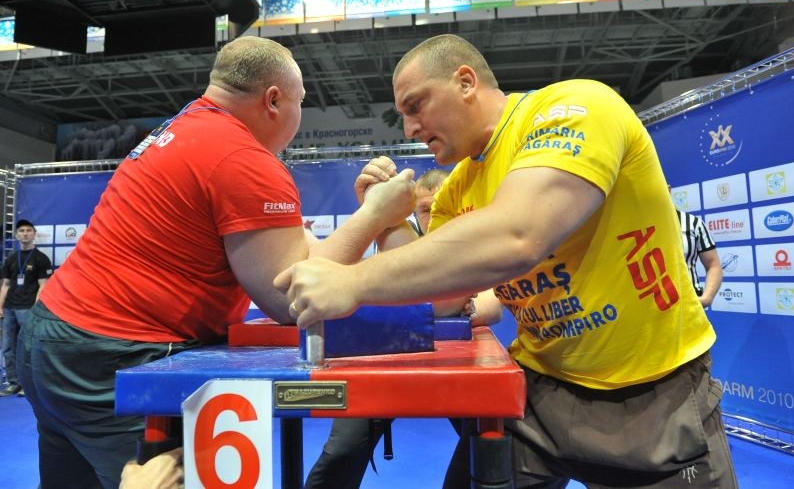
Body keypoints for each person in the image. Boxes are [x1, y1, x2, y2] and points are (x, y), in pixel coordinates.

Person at [276, 34, 738, 487]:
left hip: (658, 391)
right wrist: (383, 217)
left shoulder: (577, 106)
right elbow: (439, 301)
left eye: (415, 106)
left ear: (465, 82)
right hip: (540, 393)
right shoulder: (456, 189)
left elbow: (520, 235)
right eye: (402, 116)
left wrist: (352, 282)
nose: (409, 129)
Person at [18, 36, 415, 489]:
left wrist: (371, 213)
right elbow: (290, 297)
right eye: (301, 103)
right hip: (110, 356)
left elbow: (304, 254)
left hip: (52, 341)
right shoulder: (242, 157)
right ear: (274, 100)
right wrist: (375, 216)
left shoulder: (187, 129)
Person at [305, 167, 503, 489]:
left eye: (440, 206)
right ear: (414, 212)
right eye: (425, 209)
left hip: (458, 364)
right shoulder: (399, 239)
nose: (434, 215)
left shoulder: (473, 238)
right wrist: (453, 304)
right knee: (341, 453)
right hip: (391, 358)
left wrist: (440, 305)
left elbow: (492, 304)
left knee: (485, 442)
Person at [0, 219, 52, 397]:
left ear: (34, 234)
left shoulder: (41, 258)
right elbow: (5, 285)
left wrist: (35, 307)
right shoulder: (11, 258)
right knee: (7, 347)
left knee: (28, 347)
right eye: (21, 230)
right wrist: (0, 307)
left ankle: (27, 385)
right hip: (9, 309)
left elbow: (43, 285)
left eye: (28, 230)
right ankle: (14, 382)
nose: (25, 233)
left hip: (28, 308)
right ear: (16, 235)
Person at [677, 208, 722, 308]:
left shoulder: (692, 223)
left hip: (690, 306)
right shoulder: (636, 226)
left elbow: (713, 264)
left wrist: (706, 298)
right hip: (650, 310)